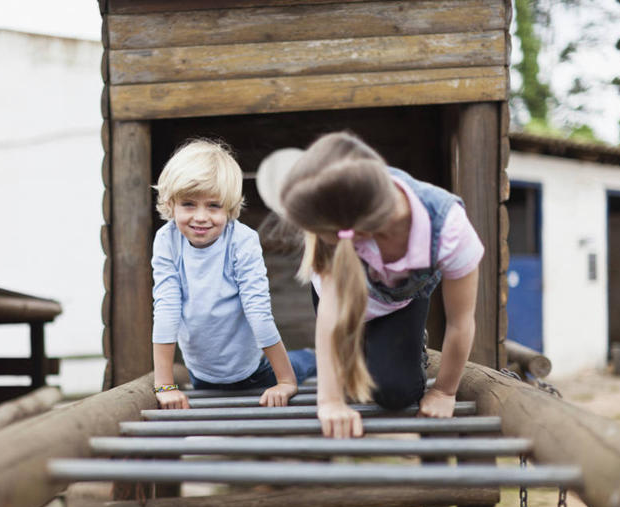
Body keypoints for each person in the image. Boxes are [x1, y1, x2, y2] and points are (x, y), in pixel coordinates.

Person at [258, 132, 483, 438]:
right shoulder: (338, 218)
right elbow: (331, 317)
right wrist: (330, 400)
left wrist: (444, 391)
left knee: (395, 395)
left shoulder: (448, 228)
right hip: (342, 301)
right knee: (345, 378)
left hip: (398, 302)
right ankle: (335, 354)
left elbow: (461, 321)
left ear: (354, 231)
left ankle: (391, 349)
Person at [150, 139, 316, 410]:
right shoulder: (167, 240)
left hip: (253, 369)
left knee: (301, 365)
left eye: (213, 205)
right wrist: (165, 385)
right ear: (171, 204)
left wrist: (286, 381)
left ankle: (312, 357)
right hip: (202, 374)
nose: (201, 216)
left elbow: (257, 310)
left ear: (229, 207)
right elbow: (167, 308)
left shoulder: (241, 241)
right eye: (189, 204)